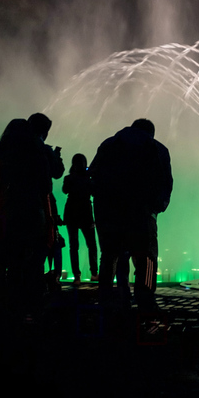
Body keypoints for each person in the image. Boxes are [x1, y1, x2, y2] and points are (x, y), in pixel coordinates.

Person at [90, 119, 172, 312]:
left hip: (108, 211)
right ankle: (146, 300)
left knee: (110, 256)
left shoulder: (109, 144)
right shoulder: (157, 148)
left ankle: (108, 298)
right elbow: (165, 182)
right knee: (147, 257)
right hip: (142, 213)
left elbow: (93, 173)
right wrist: (157, 208)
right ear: (151, 132)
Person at [0, 117, 54, 318]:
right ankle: (30, 308)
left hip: (4, 212)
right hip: (32, 213)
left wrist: (0, 190)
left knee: (2, 258)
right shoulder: (38, 154)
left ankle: (5, 304)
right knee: (28, 261)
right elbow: (46, 188)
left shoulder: (0, 153)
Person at [63, 153, 98, 285]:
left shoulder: (69, 178)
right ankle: (94, 273)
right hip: (86, 215)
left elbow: (64, 190)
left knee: (74, 246)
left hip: (71, 213)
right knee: (92, 245)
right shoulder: (88, 179)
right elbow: (94, 192)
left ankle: (77, 276)